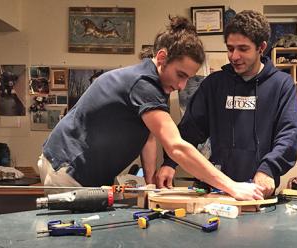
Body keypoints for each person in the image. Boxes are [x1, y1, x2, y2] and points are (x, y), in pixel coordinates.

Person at [37, 15, 265, 200]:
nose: (180, 86)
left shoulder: (158, 85)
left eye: (188, 79)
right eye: (180, 75)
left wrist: (149, 184)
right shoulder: (143, 84)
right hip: (67, 168)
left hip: (76, 168)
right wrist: (232, 187)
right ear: (162, 57)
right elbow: (176, 146)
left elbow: (148, 136)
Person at [157, 10, 297, 198]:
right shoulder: (214, 84)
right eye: (230, 48)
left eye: (243, 49)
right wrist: (170, 162)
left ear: (261, 47)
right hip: (217, 190)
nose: (234, 56)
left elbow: (289, 135)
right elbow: (190, 129)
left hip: (259, 191)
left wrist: (268, 169)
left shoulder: (281, 85)